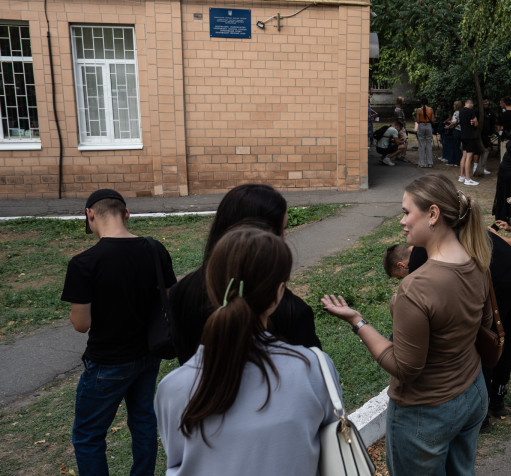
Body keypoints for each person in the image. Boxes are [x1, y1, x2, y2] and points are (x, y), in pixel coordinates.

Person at [321, 175, 492, 475]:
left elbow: (406, 369)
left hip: (427, 412)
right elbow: (482, 323)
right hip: (473, 392)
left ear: (433, 214)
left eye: (406, 212)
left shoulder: (416, 288)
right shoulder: (476, 259)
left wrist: (357, 321)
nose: (401, 221)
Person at [156, 226, 339, 474]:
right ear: (278, 293)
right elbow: (331, 441)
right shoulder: (315, 368)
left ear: (212, 288)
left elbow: (177, 461)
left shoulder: (172, 388)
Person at [61, 189, 176, 476]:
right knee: (143, 424)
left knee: (88, 436)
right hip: (149, 355)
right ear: (126, 213)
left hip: (107, 362)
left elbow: (81, 324)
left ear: (90, 215)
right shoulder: (155, 249)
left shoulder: (83, 263)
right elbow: (170, 300)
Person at [387, 235, 511, 433]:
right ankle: (498, 400)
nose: (404, 279)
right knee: (504, 337)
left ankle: (483, 415)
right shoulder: (441, 235)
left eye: (400, 277)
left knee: (485, 342)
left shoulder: (421, 254)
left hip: (497, 279)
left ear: (402, 266)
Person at [168, 184, 321, 365]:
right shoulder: (289, 309)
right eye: (282, 229)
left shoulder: (182, 292)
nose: (286, 235)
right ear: (265, 238)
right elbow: (313, 372)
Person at [459, 99, 480, 186]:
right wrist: (474, 122)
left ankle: (461, 176)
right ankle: (468, 179)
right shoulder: (471, 111)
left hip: (463, 135)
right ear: (472, 105)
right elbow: (476, 123)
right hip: (470, 136)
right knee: (469, 157)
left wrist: (470, 122)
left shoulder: (461, 111)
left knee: (464, 156)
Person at [414, 98, 435, 168]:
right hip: (428, 126)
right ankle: (430, 162)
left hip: (421, 126)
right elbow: (432, 119)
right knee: (429, 144)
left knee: (421, 144)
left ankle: (422, 163)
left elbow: (417, 120)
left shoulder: (419, 110)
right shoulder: (431, 109)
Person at [443, 100, 463, 166]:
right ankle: (458, 161)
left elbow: (454, 122)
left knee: (455, 147)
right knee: (459, 147)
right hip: (461, 131)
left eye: (454, 105)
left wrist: (448, 126)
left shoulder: (455, 113)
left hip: (456, 130)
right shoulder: (462, 112)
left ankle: (456, 162)